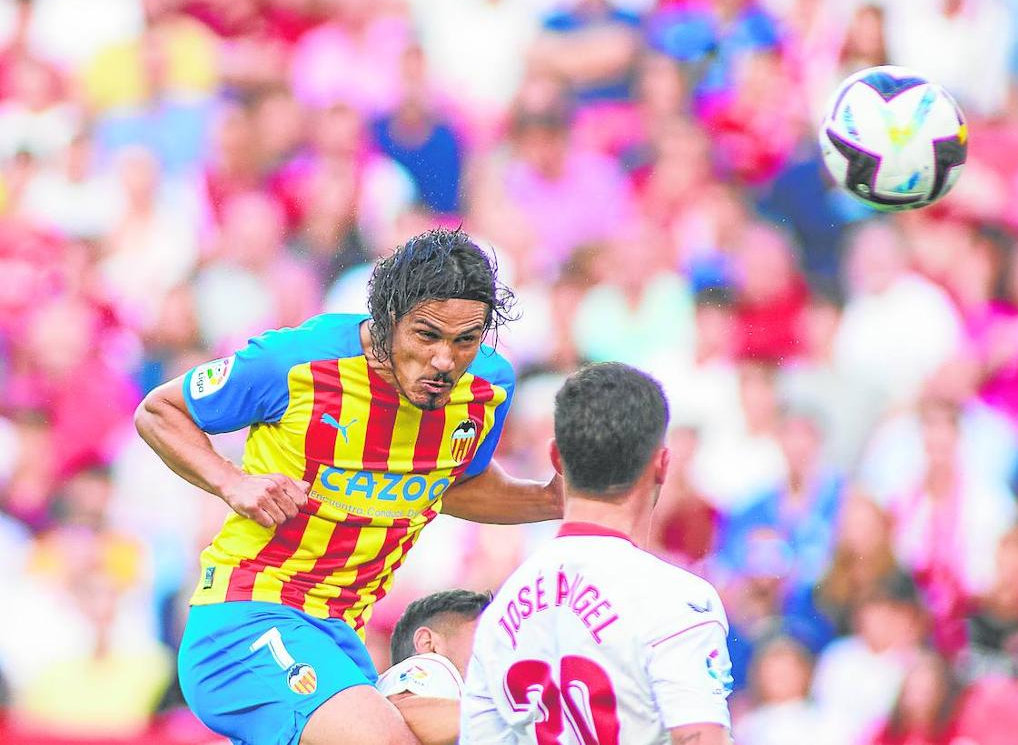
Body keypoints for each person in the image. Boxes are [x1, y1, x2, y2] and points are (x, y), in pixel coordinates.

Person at [134, 229, 564, 745]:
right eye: (426, 335)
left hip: (342, 640)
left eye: (465, 340)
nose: (445, 360)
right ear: (386, 321)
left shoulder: (486, 390)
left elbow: (452, 486)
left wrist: (550, 500)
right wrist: (232, 482)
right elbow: (159, 411)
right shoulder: (295, 361)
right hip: (246, 618)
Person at [461, 362, 733, 744]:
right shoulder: (680, 599)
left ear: (556, 459)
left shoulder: (500, 611)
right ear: (662, 464)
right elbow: (700, 737)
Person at [379, 589, 492, 745]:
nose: (496, 651)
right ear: (428, 643)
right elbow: (399, 714)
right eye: (484, 636)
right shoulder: (432, 663)